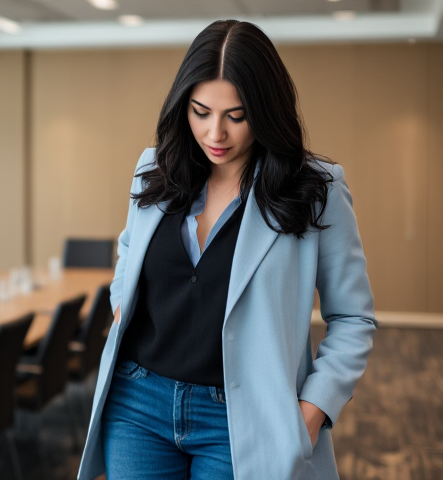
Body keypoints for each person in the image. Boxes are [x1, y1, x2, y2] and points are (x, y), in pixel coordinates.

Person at [77, 19, 376, 480]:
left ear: (266, 109)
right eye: (201, 111)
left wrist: (311, 413)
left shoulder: (316, 189)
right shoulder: (153, 167)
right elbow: (129, 252)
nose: (215, 133)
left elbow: (353, 318)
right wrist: (122, 304)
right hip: (139, 401)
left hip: (242, 417)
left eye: (236, 116)